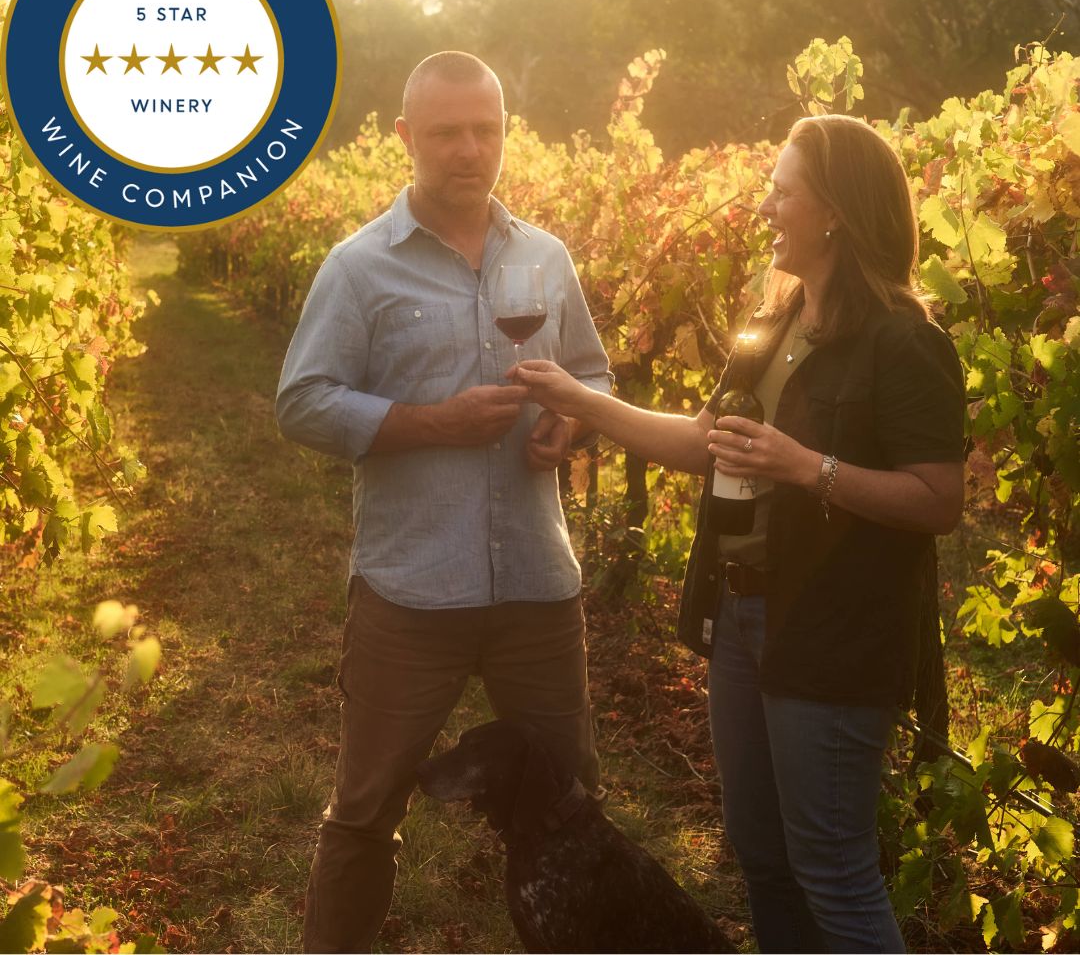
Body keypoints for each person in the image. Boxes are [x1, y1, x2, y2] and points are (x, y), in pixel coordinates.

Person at [513, 113, 965, 953]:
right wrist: (584, 404)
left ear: (833, 209)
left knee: (832, 865)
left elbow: (939, 499)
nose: (764, 207)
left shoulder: (904, 341)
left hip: (834, 630)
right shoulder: (776, 324)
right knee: (762, 859)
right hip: (744, 619)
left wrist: (807, 467)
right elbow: (699, 442)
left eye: (781, 191)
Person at [276, 51, 612, 953]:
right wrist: (431, 423)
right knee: (365, 811)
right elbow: (301, 401)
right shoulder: (359, 268)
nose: (469, 150)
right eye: (445, 133)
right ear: (404, 138)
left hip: (539, 589)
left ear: (506, 132)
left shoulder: (545, 257)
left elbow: (592, 372)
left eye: (486, 130)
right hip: (411, 592)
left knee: (571, 802)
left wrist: (569, 426)